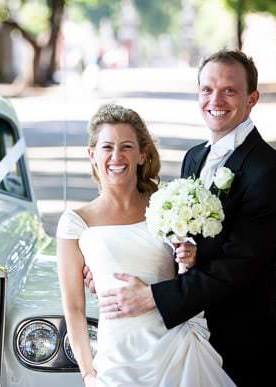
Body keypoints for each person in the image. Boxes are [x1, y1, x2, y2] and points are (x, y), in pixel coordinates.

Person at [92, 50, 276, 386]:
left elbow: (240, 265)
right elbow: (185, 244)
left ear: (252, 98)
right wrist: (109, 266)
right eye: (207, 90)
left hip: (245, 345)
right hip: (186, 340)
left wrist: (151, 297)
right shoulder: (195, 157)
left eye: (229, 90)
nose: (215, 100)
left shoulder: (269, 171)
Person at [56, 104, 235, 386]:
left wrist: (188, 260)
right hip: (118, 359)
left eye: (127, 146)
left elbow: (188, 279)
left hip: (176, 350)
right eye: (107, 147)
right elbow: (74, 308)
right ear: (92, 154)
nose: (117, 157)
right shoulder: (75, 222)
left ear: (142, 155)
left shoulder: (168, 205)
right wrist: (88, 373)